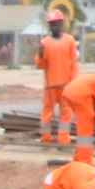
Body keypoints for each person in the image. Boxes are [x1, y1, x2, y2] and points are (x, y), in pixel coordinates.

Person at [35, 8, 78, 145]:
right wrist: (41, 54)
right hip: (50, 86)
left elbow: (73, 63)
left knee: (66, 113)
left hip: (66, 85)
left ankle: (63, 138)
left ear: (62, 24)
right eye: (52, 23)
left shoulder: (70, 41)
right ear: (49, 25)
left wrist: (73, 83)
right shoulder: (44, 43)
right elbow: (40, 65)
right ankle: (45, 137)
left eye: (57, 23)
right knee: (47, 113)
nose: (54, 26)